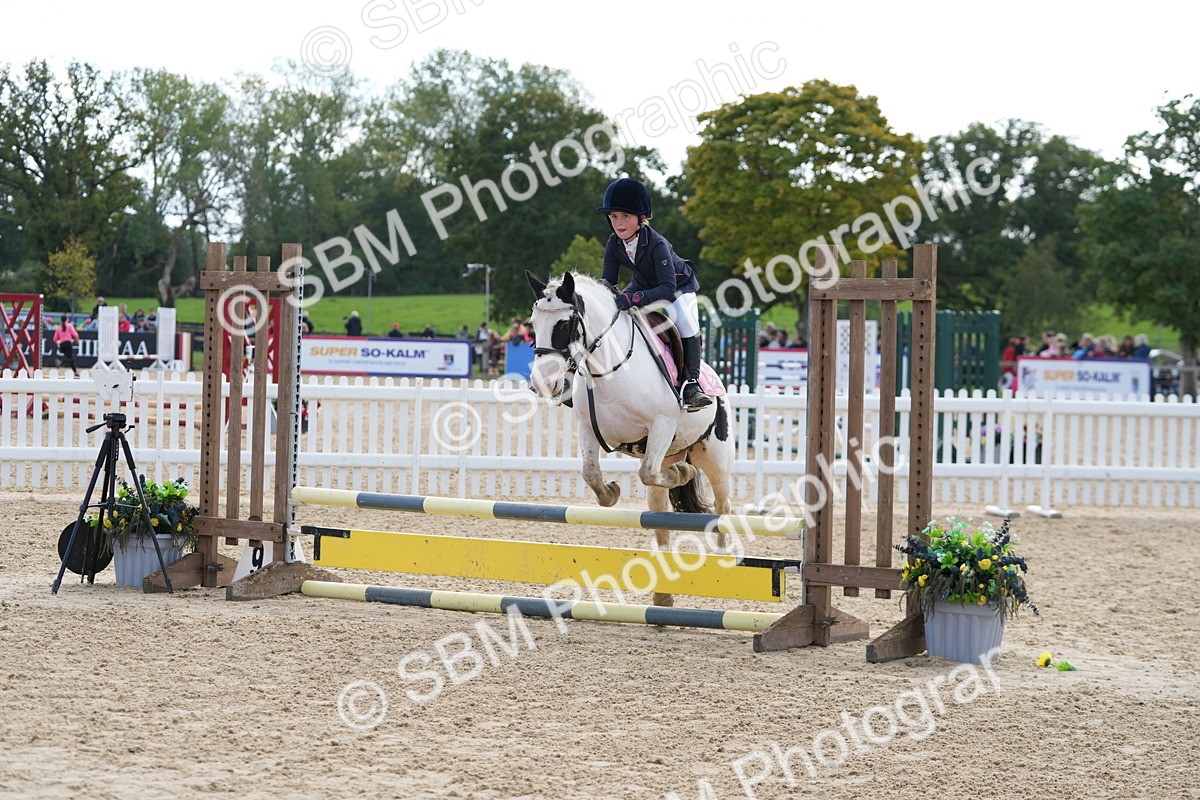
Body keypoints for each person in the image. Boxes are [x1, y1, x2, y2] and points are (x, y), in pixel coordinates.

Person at [597, 177, 711, 409]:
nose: (618, 223)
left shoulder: (657, 243)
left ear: (641, 218)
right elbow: (608, 282)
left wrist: (634, 298)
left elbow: (667, 289)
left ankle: (691, 385)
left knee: (686, 323)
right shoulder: (614, 243)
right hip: (643, 283)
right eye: (613, 216)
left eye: (625, 216)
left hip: (678, 286)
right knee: (617, 313)